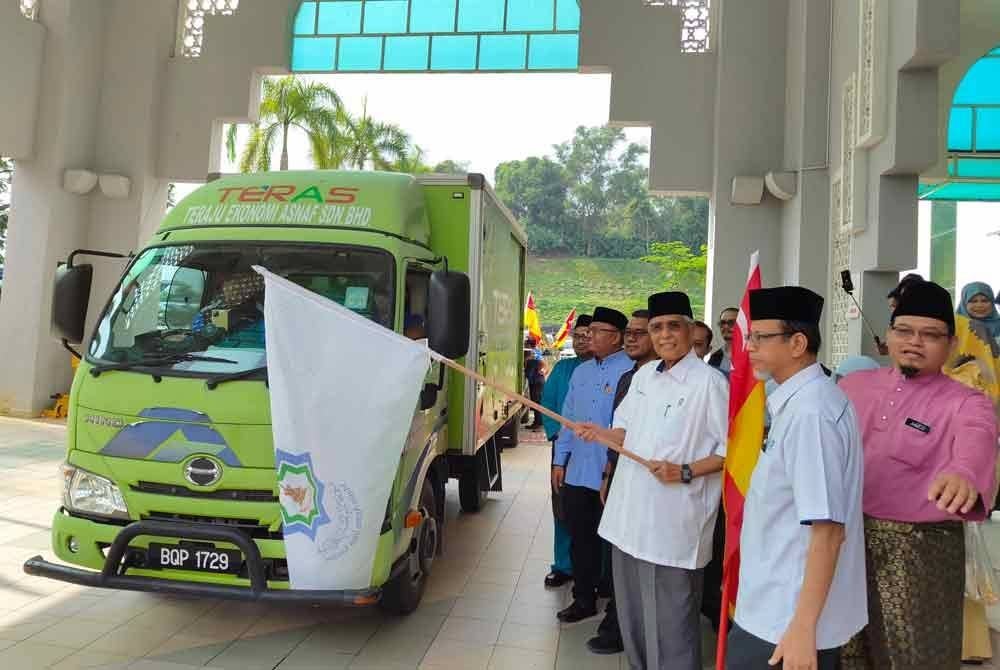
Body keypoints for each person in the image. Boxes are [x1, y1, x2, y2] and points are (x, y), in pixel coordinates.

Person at [840, 280, 998, 670]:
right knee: (846, 653)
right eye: (904, 331)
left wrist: (964, 472)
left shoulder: (966, 401)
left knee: (914, 659)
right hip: (846, 543)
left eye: (930, 335)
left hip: (921, 552)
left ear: (950, 344)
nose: (915, 342)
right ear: (889, 336)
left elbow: (977, 439)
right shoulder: (853, 386)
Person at [579, 292, 728, 670]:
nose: (663, 335)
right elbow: (624, 434)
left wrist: (686, 470)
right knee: (635, 625)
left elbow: (732, 453)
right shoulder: (644, 376)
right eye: (656, 327)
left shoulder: (710, 384)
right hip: (628, 520)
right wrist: (599, 433)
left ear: (691, 330)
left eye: (672, 326)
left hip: (673, 528)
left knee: (673, 630)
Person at [727, 286, 867, 670]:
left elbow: (827, 530)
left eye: (760, 337)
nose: (748, 346)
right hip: (774, 603)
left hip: (784, 619)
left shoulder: (811, 415)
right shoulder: (804, 401)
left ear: (798, 343)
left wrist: (803, 629)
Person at [553, 307, 633, 623]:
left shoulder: (631, 372)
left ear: (616, 338)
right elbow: (568, 420)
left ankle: (616, 607)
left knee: (613, 545)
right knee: (580, 538)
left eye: (597, 331)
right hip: (577, 472)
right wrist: (560, 460)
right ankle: (583, 598)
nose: (589, 336)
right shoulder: (581, 373)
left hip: (612, 475)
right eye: (588, 331)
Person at [587, 309, 657, 656]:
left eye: (640, 333)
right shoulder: (631, 379)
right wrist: (608, 473)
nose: (632, 338)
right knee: (620, 552)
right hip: (622, 476)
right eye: (628, 332)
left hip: (659, 483)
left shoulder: (698, 383)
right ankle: (617, 625)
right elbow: (621, 434)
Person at [953, 281, 1000, 665]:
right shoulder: (956, 344)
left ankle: (973, 644)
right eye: (975, 299)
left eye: (986, 298)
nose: (982, 305)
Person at [540, 314, 593, 588]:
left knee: (594, 509)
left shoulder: (609, 368)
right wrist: (557, 434)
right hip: (564, 450)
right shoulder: (562, 368)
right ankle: (563, 565)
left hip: (596, 451)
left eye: (588, 335)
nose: (583, 341)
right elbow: (547, 403)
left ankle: (596, 570)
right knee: (562, 508)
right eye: (579, 336)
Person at [708, 307, 739, 374]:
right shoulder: (715, 357)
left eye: (731, 323)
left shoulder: (752, 355)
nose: (726, 327)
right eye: (722, 323)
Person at [525, 344, 547, 429]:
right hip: (540, 383)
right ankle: (539, 422)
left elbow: (529, 375)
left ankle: (537, 423)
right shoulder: (538, 361)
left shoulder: (531, 362)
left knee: (536, 404)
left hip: (535, 384)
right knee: (538, 403)